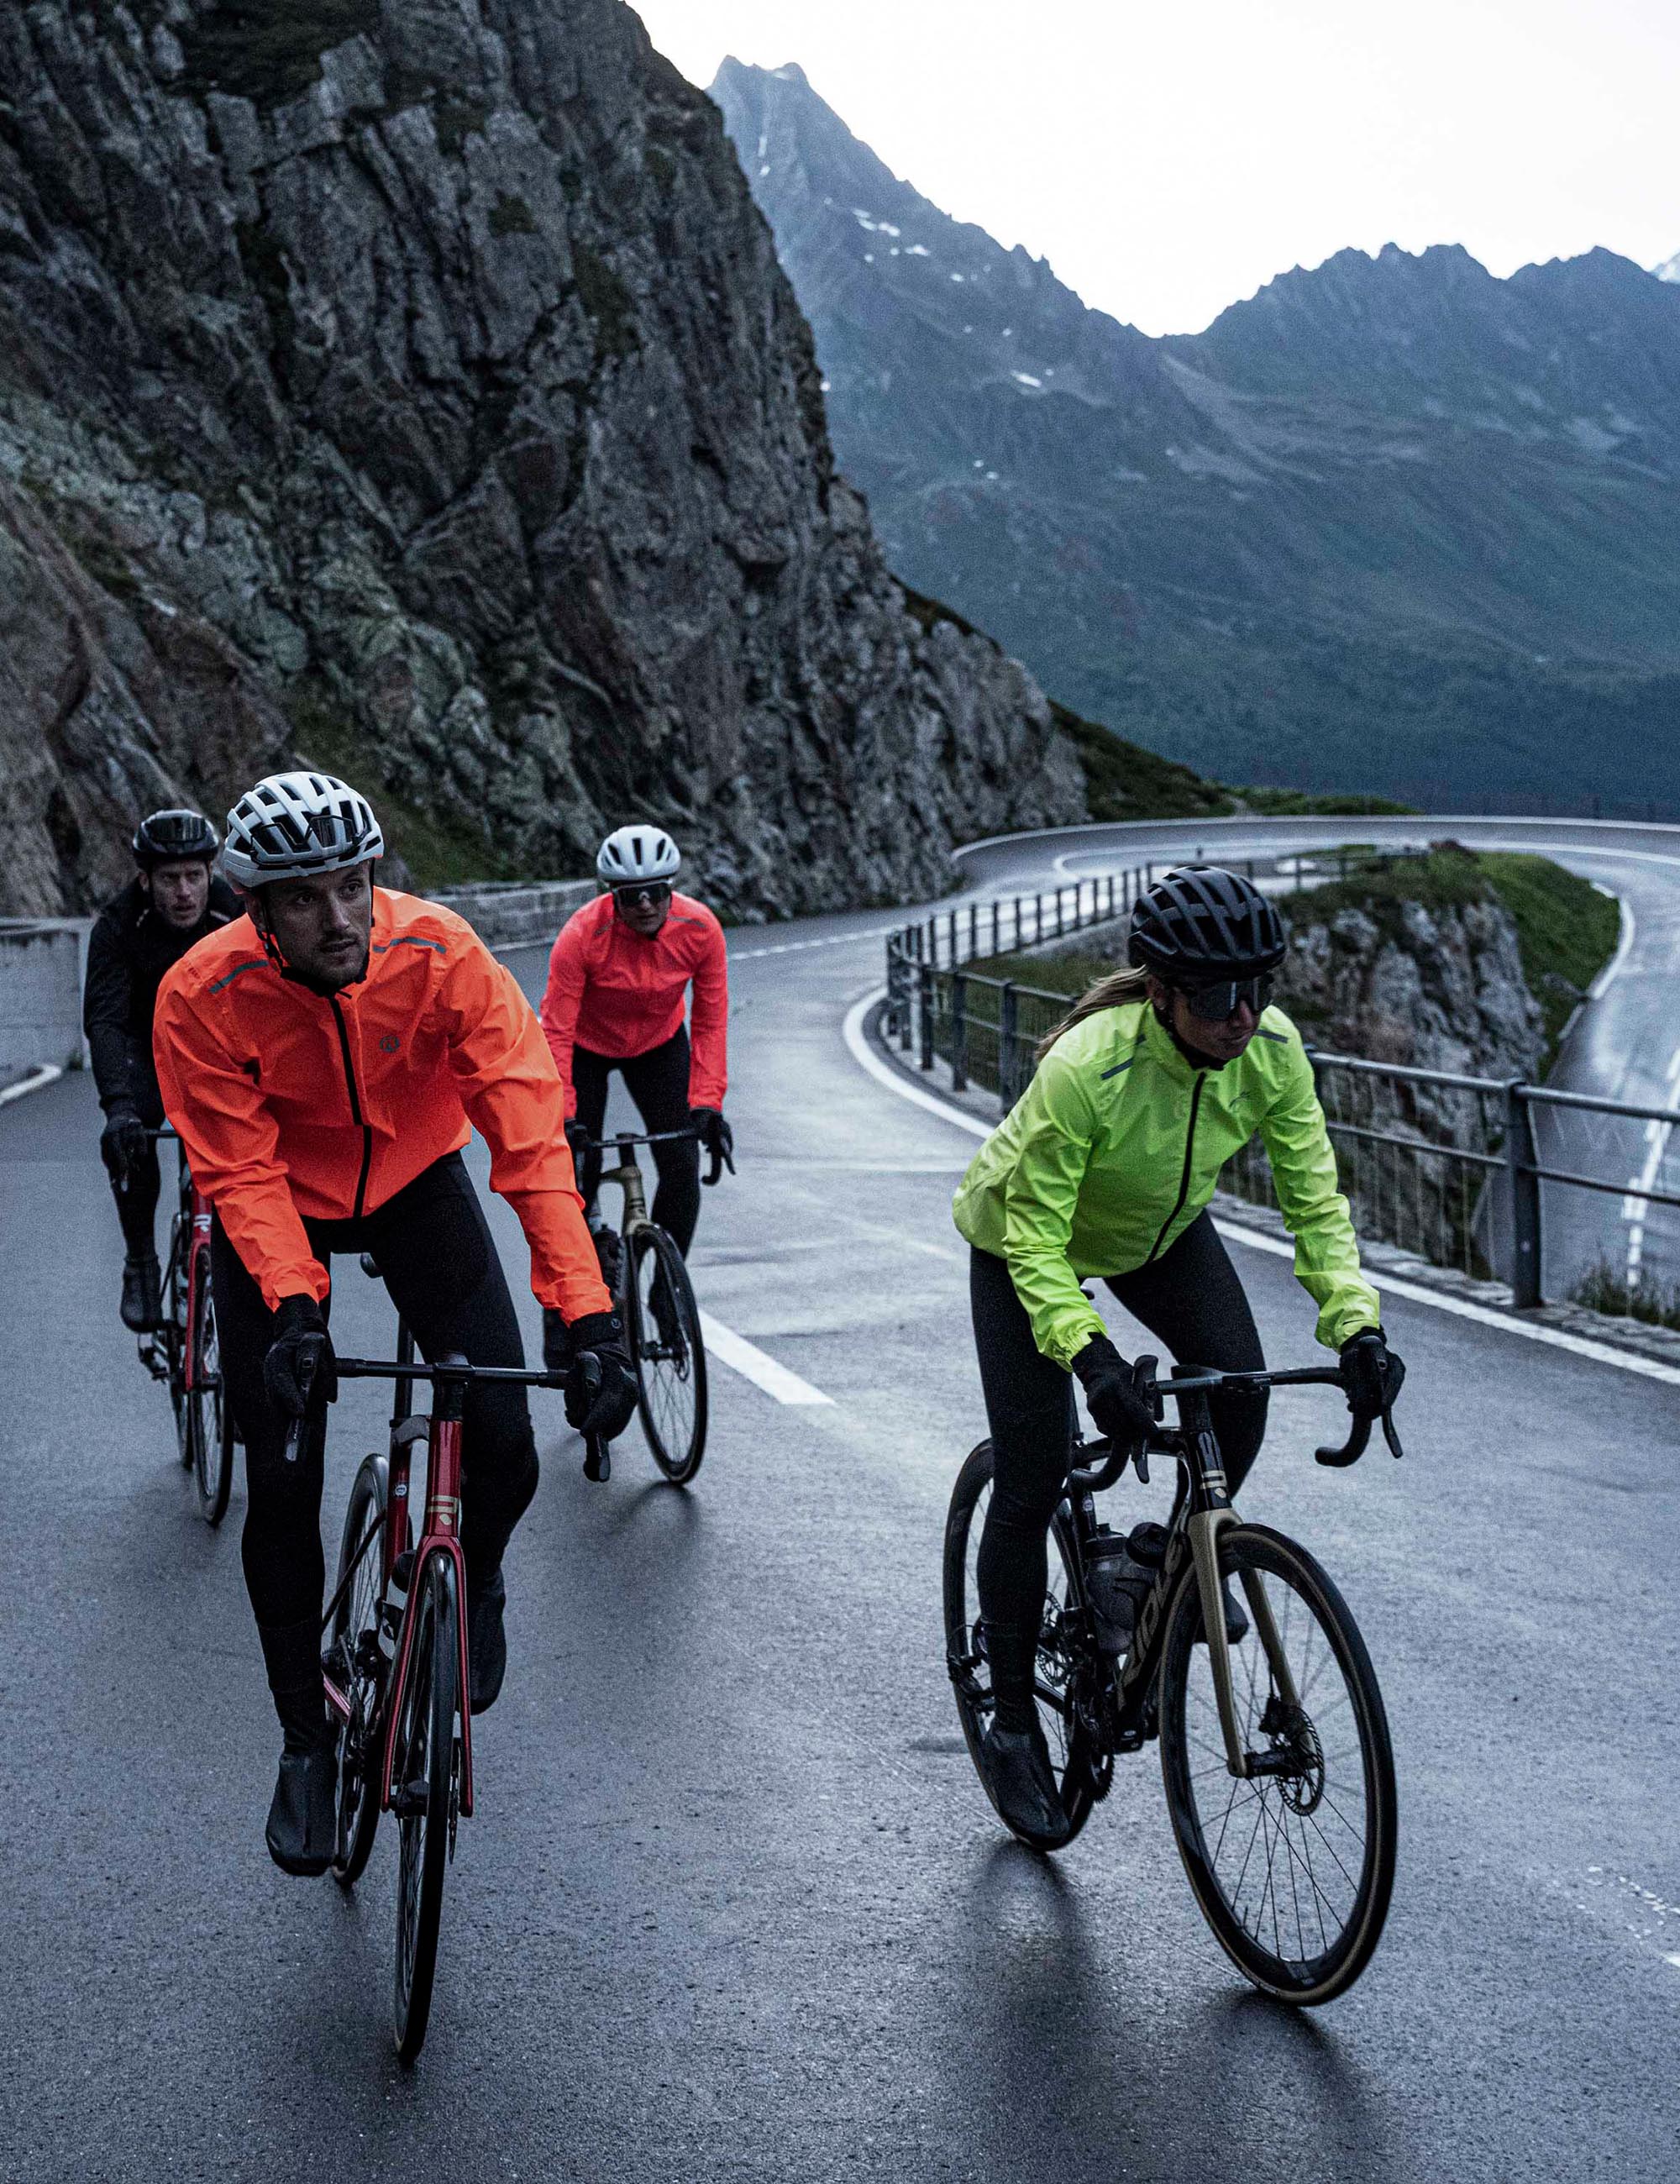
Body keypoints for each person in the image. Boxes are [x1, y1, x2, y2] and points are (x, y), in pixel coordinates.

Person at [153, 771, 638, 1877]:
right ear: (256, 909)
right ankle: (305, 1740)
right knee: (281, 1478)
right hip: (281, 1203)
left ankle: (479, 1575)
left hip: (418, 1182)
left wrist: (590, 1315)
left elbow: (530, 1141)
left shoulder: (440, 953)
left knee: (506, 1445)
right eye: (305, 897)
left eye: (354, 885)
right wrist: (294, 1307)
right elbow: (239, 1169)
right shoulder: (200, 993)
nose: (340, 917)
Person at [951, 865, 1404, 1842]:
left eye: (1258, 988)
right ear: (1159, 992)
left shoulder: (1270, 1050)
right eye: (1216, 994)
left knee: (1240, 1391)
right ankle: (1013, 1720)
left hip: (1156, 1234)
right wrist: (1090, 1358)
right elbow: (1035, 1238)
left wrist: (1356, 1326)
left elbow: (1313, 1201)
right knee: (1032, 1475)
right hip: (1023, 1242)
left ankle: (1153, 1566)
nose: (1242, 1014)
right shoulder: (1088, 1067)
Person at [537, 825, 730, 1356]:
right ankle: (571, 1303)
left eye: (655, 892)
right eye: (630, 895)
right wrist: (566, 1117)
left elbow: (711, 1023)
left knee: (682, 1166)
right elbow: (556, 1028)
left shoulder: (701, 929)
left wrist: (708, 1103)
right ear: (612, 896)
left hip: (659, 1045)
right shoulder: (582, 935)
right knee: (576, 1173)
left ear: (671, 890)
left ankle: (664, 1290)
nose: (645, 904)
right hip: (587, 1047)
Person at [84, 810, 239, 1331]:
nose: (184, 892)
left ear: (211, 873)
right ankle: (141, 1262)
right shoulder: (118, 924)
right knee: (129, 1139)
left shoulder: (234, 914)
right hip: (144, 1048)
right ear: (145, 880)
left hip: (215, 1049)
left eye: (195, 876)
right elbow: (105, 1021)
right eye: (170, 879)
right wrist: (118, 1109)